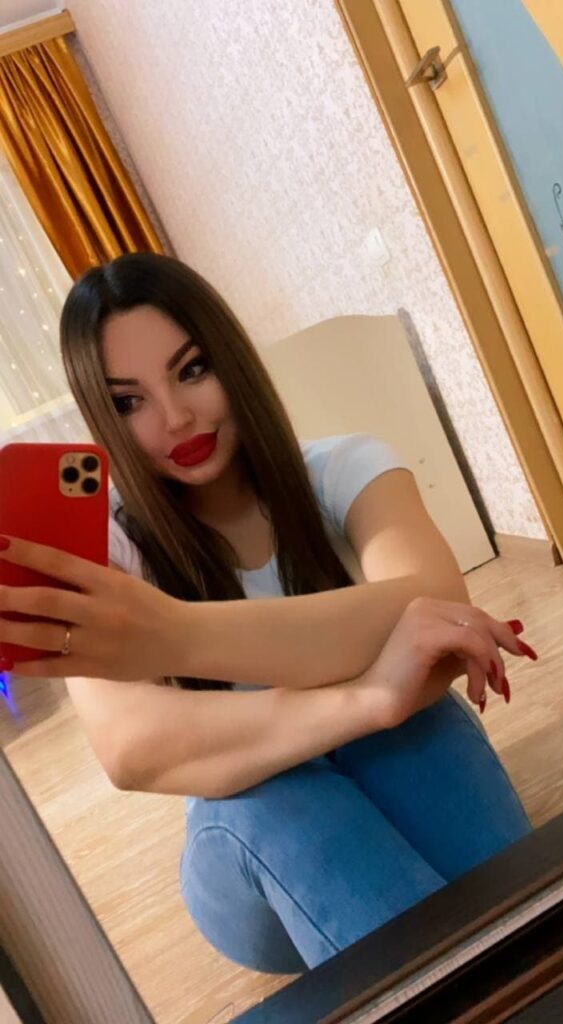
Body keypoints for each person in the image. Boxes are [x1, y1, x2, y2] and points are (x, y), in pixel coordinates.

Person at [0, 253, 535, 973]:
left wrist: (171, 634)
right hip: (246, 849)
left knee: (421, 729)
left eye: (192, 370)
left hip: (380, 765)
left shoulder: (344, 469)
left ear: (232, 360)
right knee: (274, 795)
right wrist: (369, 697)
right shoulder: (113, 546)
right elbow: (129, 748)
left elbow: (439, 607)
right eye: (129, 403)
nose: (176, 417)